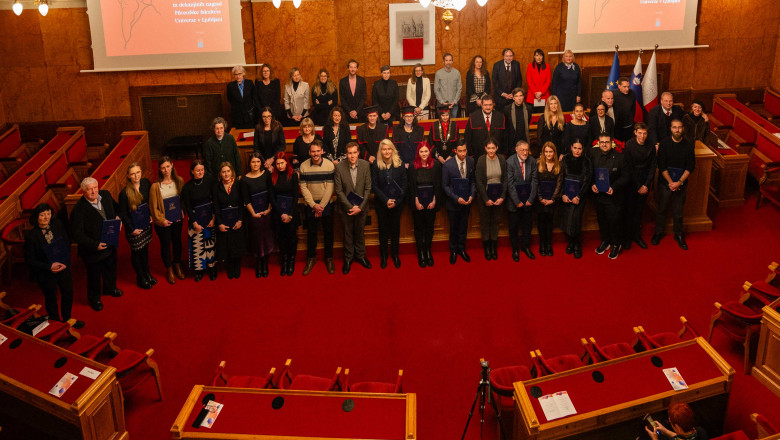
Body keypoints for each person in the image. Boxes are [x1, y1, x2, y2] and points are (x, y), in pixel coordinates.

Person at [24, 203, 84, 329]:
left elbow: (66, 242)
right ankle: (56, 324)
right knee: (51, 298)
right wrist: (49, 267)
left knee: (68, 293)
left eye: (49, 213)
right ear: (36, 217)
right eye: (42, 215)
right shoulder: (32, 236)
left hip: (63, 266)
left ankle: (67, 319)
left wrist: (65, 262)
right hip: (46, 272)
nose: (47, 217)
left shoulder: (58, 225)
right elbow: (30, 260)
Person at [70, 177, 122, 312]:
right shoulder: (79, 209)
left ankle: (110, 288)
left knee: (110, 268)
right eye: (89, 189)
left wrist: (118, 217)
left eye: (95, 187)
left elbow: (117, 207)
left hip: (110, 242)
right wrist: (95, 245)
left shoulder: (105, 194)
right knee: (94, 276)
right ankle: (95, 299)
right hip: (93, 250)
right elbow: (77, 234)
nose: (94, 191)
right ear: (83, 192)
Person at [652, 119, 695, 250]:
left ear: (683, 129)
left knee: (678, 212)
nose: (677, 130)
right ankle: (658, 233)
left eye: (679, 127)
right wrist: (671, 183)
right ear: (670, 129)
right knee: (661, 209)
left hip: (681, 184)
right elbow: (661, 165)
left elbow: (690, 167)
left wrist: (679, 182)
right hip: (665, 183)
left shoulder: (688, 145)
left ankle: (679, 235)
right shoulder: (664, 144)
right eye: (674, 127)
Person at [334, 142, 372, 274]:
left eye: (354, 152)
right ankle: (348, 258)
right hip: (346, 208)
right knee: (348, 233)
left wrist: (359, 207)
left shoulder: (365, 165)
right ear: (346, 154)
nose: (352, 156)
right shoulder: (339, 167)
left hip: (362, 208)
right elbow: (338, 191)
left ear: (358, 153)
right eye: (349, 153)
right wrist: (351, 207)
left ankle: (361, 256)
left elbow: (368, 189)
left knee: (360, 232)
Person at [299, 140, 336, 275]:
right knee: (312, 233)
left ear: (322, 151)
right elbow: (303, 187)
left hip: (327, 204)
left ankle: (329, 258)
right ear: (309, 152)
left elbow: (330, 187)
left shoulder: (329, 165)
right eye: (313, 151)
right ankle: (311, 258)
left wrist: (322, 206)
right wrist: (314, 205)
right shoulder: (303, 166)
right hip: (311, 205)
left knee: (328, 233)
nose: (315, 154)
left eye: (317, 151)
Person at [590, 133, 629, 259]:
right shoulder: (593, 154)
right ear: (598, 143)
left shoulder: (620, 157)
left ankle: (616, 244)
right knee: (602, 220)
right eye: (602, 142)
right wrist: (592, 184)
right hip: (599, 196)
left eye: (607, 142)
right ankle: (605, 241)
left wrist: (614, 187)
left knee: (614, 221)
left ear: (611, 143)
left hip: (614, 196)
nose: (604, 144)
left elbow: (626, 176)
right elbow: (589, 173)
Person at [149, 157, 185, 284]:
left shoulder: (179, 181)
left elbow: (183, 200)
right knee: (165, 244)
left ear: (172, 166)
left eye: (168, 166)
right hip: (163, 222)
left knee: (177, 242)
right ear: (159, 169)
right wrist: (162, 220)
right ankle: (169, 268)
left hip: (177, 220)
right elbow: (153, 208)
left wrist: (182, 211)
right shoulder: (155, 186)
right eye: (163, 167)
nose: (166, 170)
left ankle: (177, 264)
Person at [117, 163, 154, 289]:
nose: (136, 175)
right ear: (128, 176)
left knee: (145, 251)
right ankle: (141, 278)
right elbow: (122, 213)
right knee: (137, 252)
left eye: (138, 172)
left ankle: (147, 273)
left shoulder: (145, 183)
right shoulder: (124, 193)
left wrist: (150, 215)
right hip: (134, 228)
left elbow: (149, 202)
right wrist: (132, 229)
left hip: (145, 225)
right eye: (132, 173)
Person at [372, 139, 407, 268]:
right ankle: (384, 256)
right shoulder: (376, 165)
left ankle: (395, 255)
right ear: (380, 151)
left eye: (389, 149)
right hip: (382, 204)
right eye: (384, 149)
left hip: (397, 205)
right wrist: (386, 200)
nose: (386, 151)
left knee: (395, 231)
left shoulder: (400, 164)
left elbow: (404, 185)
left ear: (393, 150)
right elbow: (374, 186)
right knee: (383, 232)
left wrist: (396, 202)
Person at [181, 159, 217, 282]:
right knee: (197, 246)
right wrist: (194, 222)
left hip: (209, 218)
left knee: (210, 245)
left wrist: (213, 217)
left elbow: (214, 201)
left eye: (202, 170)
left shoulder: (210, 182)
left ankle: (212, 268)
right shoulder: (187, 187)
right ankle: (199, 271)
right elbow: (188, 207)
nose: (200, 172)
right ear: (192, 171)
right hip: (195, 220)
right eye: (197, 170)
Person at [622, 122, 655, 250]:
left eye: (644, 133)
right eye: (640, 133)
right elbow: (628, 167)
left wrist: (646, 185)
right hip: (632, 181)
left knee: (639, 211)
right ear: (635, 133)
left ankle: (637, 236)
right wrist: (638, 185)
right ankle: (627, 237)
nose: (642, 136)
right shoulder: (629, 145)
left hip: (645, 180)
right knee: (629, 210)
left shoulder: (650, 145)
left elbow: (653, 166)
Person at [409, 141, 442, 267]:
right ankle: (420, 253)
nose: (424, 153)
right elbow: (411, 186)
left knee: (429, 228)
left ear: (430, 152)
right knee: (419, 228)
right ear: (418, 152)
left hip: (431, 203)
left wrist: (434, 200)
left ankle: (428, 251)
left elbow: (438, 185)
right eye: (421, 151)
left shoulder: (436, 165)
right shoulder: (413, 166)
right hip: (418, 204)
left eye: (426, 151)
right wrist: (416, 200)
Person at [442, 139, 475, 264]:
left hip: (467, 202)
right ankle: (453, 251)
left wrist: (472, 196)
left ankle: (462, 249)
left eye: (464, 150)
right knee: (454, 228)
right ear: (455, 151)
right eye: (460, 151)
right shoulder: (448, 165)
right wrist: (456, 198)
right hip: (453, 203)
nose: (463, 154)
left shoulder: (471, 161)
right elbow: (445, 186)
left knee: (463, 227)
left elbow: (473, 181)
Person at [242, 153, 274, 278]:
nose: (255, 164)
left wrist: (269, 208)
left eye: (258, 162)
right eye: (253, 162)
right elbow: (246, 199)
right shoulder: (245, 179)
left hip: (266, 212)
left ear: (261, 163)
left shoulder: (266, 175)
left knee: (266, 236)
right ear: (249, 164)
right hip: (253, 214)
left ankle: (265, 262)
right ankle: (258, 263)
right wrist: (253, 213)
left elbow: (271, 191)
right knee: (256, 238)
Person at [475, 138, 507, 260]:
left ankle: (494, 246)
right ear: (485, 148)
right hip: (485, 198)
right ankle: (487, 247)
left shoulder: (502, 159)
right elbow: (479, 181)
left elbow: (505, 180)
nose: (491, 150)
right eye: (489, 148)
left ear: (497, 148)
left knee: (495, 222)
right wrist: (485, 199)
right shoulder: (481, 160)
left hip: (498, 198)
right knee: (485, 222)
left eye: (493, 148)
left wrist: (502, 197)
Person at [213, 162, 246, 279]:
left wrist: (240, 220)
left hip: (237, 219)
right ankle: (230, 265)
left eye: (228, 171)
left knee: (237, 242)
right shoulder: (217, 187)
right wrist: (220, 223)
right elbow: (216, 207)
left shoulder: (238, 184)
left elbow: (242, 203)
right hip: (224, 221)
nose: (226, 174)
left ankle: (237, 265)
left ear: (232, 171)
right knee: (226, 243)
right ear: (220, 174)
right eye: (223, 172)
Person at [559, 141, 592, 259]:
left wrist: (578, 196)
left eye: (580, 148)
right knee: (568, 219)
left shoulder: (586, 161)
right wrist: (563, 194)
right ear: (571, 148)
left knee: (576, 219)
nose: (577, 151)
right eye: (575, 148)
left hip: (579, 196)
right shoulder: (565, 159)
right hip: (566, 196)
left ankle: (577, 244)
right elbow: (561, 178)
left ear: (582, 149)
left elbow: (587, 180)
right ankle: (570, 243)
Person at [506, 140, 537, 261]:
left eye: (526, 150)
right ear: (516, 149)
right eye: (522, 150)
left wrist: (530, 199)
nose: (525, 152)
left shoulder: (532, 161)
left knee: (527, 226)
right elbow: (510, 183)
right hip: (514, 203)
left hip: (528, 201)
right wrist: (517, 201)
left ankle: (526, 247)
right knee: (513, 227)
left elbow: (535, 181)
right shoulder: (509, 162)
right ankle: (515, 250)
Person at [270, 152, 299, 276]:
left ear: (286, 162)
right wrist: (281, 214)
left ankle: (291, 261)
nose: (280, 166)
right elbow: (271, 197)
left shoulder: (292, 175)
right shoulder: (272, 176)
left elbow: (296, 196)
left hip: (291, 212)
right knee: (281, 238)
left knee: (291, 238)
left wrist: (290, 215)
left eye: (282, 163)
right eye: (277, 163)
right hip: (278, 213)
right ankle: (284, 261)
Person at [535, 142, 563, 257]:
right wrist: (540, 198)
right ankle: (542, 243)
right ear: (543, 152)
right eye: (546, 152)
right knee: (541, 221)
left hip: (552, 200)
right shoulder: (538, 164)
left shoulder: (559, 165)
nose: (548, 154)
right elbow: (536, 182)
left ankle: (548, 244)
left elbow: (559, 183)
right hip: (540, 199)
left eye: (550, 151)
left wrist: (552, 199)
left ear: (554, 152)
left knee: (550, 222)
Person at [645, 402, 710, 440]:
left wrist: (655, 438)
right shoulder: (701, 432)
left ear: (677, 427)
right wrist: (666, 431)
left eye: (671, 422)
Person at [504, 87, 532, 152]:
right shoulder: (507, 109)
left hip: (524, 139)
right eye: (516, 96)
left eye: (520, 96)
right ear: (513, 98)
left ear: (523, 97)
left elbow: (528, 123)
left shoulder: (529, 108)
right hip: (512, 141)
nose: (519, 98)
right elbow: (506, 127)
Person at [434, 52, 462, 118]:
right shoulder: (438, 73)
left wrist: (454, 101)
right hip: (442, 104)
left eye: (450, 60)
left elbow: (459, 88)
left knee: (453, 124)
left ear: (452, 61)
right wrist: (442, 102)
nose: (448, 62)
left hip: (454, 104)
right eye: (446, 60)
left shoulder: (457, 73)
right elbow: (436, 89)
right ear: (443, 62)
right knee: (442, 123)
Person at [339, 59, 367, 123]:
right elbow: (342, 99)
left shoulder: (362, 81)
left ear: (357, 69)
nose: (353, 69)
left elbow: (363, 98)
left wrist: (356, 111)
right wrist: (350, 112)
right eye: (351, 67)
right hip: (347, 114)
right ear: (348, 68)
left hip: (360, 114)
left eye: (354, 67)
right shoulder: (342, 81)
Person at [526, 49, 551, 114]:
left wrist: (541, 92)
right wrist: (536, 93)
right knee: (532, 116)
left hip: (544, 95)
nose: (539, 57)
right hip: (532, 95)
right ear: (534, 57)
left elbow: (548, 81)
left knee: (543, 115)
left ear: (543, 57)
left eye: (540, 55)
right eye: (537, 55)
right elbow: (529, 81)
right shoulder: (530, 66)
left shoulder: (547, 66)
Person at [612, 78, 637, 142]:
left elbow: (633, 109)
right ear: (619, 86)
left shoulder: (632, 93)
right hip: (616, 127)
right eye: (624, 87)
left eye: (628, 86)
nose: (627, 89)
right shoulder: (613, 94)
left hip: (629, 126)